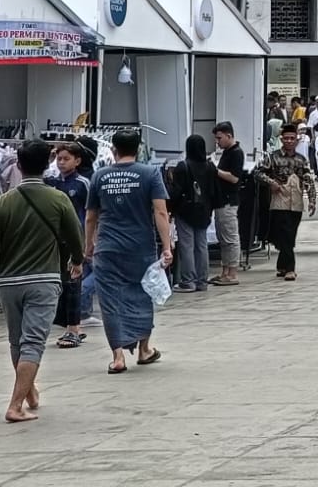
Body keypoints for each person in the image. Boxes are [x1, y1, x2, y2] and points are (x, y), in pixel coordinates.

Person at [0, 140, 83, 422]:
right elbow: (74, 236)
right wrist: (77, 260)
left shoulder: (1, 203)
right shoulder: (59, 199)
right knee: (33, 342)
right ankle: (15, 405)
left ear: (18, 166)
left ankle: (29, 391)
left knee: (17, 341)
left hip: (8, 282)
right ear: (47, 165)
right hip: (44, 279)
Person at [85, 130, 172, 374]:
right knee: (142, 295)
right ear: (138, 149)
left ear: (113, 149)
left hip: (107, 247)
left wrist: (88, 245)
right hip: (140, 247)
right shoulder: (150, 173)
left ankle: (118, 357)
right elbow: (161, 212)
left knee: (110, 301)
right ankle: (144, 349)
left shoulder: (99, 176)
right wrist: (167, 247)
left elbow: (91, 216)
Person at [256, 123, 317, 282]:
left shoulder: (301, 159)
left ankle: (282, 265)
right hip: (279, 200)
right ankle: (290, 268)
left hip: (296, 201)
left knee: (290, 234)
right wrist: (271, 183)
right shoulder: (273, 157)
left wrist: (312, 200)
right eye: (286, 138)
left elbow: (308, 180)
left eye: (292, 138)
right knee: (283, 233)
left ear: (297, 140)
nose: (289, 141)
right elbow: (258, 173)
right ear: (282, 139)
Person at [45, 143, 92, 349]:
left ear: (77, 161)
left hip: (76, 240)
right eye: (59, 159)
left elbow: (92, 214)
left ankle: (73, 328)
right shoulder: (52, 182)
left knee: (74, 283)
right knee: (61, 284)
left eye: (66, 159)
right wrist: (48, 160)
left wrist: (89, 242)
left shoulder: (83, 184)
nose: (61, 162)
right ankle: (71, 326)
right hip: (56, 241)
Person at [168, 135, 218, 293]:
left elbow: (176, 191)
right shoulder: (210, 166)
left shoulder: (183, 166)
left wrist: (171, 208)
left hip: (185, 210)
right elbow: (214, 191)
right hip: (204, 211)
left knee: (187, 245)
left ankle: (188, 281)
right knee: (202, 245)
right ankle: (202, 281)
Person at [208, 122, 245, 285]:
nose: (217, 142)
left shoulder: (236, 153)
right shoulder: (227, 152)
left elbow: (234, 178)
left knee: (230, 237)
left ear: (229, 136)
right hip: (221, 200)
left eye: (219, 138)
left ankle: (232, 273)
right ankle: (225, 271)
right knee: (223, 238)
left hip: (229, 200)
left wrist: (215, 170)